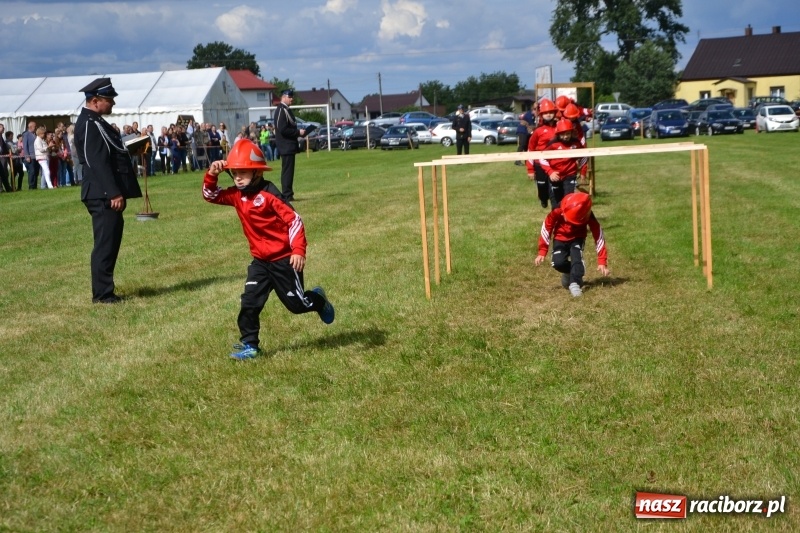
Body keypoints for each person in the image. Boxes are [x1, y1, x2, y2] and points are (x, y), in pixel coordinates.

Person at [201, 139, 335, 360]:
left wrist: (298, 250)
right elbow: (210, 195)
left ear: (257, 173)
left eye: (243, 172)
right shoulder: (237, 195)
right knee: (249, 302)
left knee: (297, 305)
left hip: (284, 261)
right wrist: (212, 174)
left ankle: (318, 299)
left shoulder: (270, 195)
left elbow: (295, 221)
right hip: (260, 263)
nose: (237, 177)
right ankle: (250, 345)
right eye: (234, 172)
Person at [74, 77, 142, 304]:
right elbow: (96, 162)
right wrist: (112, 192)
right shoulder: (90, 124)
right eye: (109, 99)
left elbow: (110, 153)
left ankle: (105, 291)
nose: (112, 103)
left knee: (110, 242)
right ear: (94, 101)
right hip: (101, 193)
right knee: (105, 244)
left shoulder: (95, 121)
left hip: (103, 192)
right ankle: (102, 294)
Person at [535, 191, 609, 298]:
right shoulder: (557, 209)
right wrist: (542, 251)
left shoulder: (588, 214)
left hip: (577, 238)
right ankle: (574, 270)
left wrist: (602, 261)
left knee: (576, 258)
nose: (566, 220)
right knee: (557, 263)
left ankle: (575, 283)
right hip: (560, 238)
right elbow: (547, 227)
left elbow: (598, 235)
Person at [538, 118, 587, 209]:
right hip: (555, 176)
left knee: (568, 200)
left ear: (571, 133)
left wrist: (583, 171)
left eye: (567, 133)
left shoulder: (576, 143)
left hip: (570, 175)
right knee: (556, 204)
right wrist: (550, 172)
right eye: (563, 134)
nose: (565, 136)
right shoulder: (552, 144)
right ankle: (556, 220)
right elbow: (542, 158)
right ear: (558, 134)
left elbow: (584, 156)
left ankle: (568, 220)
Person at [273, 89, 306, 202]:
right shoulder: (281, 110)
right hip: (285, 145)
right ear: (284, 97)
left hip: (289, 146)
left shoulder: (286, 110)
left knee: (289, 171)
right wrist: (297, 132)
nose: (292, 99)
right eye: (290, 97)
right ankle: (287, 194)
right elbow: (282, 129)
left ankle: (289, 193)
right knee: (287, 171)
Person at [525, 98, 559, 208]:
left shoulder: (560, 128)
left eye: (550, 112)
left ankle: (555, 208)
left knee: (555, 188)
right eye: (546, 113)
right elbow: (530, 149)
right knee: (542, 187)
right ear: (541, 114)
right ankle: (543, 199)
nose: (548, 115)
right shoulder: (538, 131)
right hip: (539, 165)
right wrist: (530, 169)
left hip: (555, 164)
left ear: (554, 113)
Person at [22, 121, 39, 189]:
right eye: (35, 126)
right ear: (30, 127)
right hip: (30, 156)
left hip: (36, 156)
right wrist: (27, 156)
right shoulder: (26, 135)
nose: (36, 127)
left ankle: (35, 185)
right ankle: (31, 186)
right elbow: (25, 146)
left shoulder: (34, 134)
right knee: (32, 171)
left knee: (36, 171)